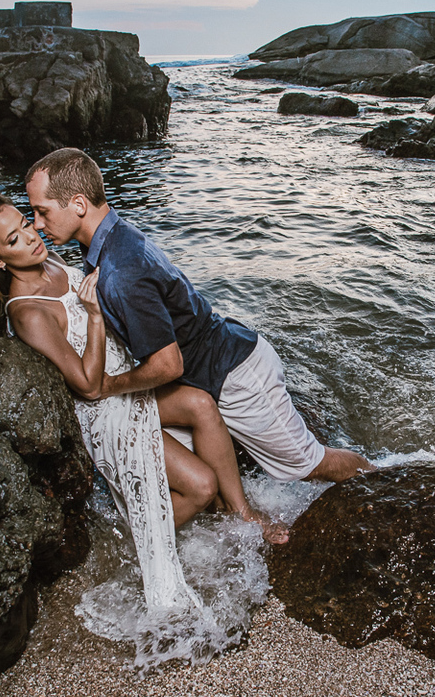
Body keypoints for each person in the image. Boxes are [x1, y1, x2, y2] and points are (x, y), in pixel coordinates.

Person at [0, 194, 285, 605]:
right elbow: (88, 386)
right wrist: (93, 315)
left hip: (123, 380)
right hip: (102, 410)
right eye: (13, 239)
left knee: (201, 404)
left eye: (26, 222)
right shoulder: (28, 312)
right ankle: (135, 534)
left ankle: (242, 514)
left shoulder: (50, 261)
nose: (31, 237)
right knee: (200, 487)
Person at [23, 147, 374, 484]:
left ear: (79, 205)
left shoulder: (120, 271)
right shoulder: (112, 237)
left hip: (235, 377)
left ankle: (386, 478)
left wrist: (111, 386)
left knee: (311, 465)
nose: (37, 224)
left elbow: (167, 366)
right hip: (211, 370)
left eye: (43, 211)